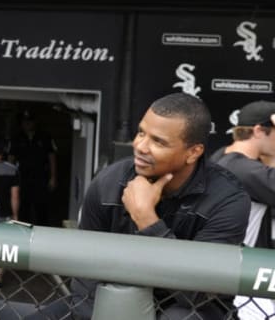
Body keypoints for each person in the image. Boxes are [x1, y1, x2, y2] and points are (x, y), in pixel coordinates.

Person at [25, 93, 250, 320]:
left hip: (188, 309)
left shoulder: (227, 199)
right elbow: (85, 275)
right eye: (141, 132)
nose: (140, 146)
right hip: (113, 297)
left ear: (193, 152)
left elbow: (197, 293)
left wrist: (147, 220)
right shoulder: (109, 182)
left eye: (158, 141)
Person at [210, 100, 275, 320]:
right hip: (241, 274)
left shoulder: (222, 157)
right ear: (259, 131)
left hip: (228, 270)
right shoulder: (243, 169)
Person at [9, 112, 57, 226]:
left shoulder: (45, 137)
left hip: (41, 177)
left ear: (35, 122)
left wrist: (53, 177)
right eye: (25, 122)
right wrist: (11, 178)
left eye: (30, 121)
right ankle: (23, 231)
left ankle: (43, 231)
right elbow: (11, 158)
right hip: (22, 177)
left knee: (41, 206)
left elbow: (52, 157)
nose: (27, 124)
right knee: (23, 207)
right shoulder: (17, 137)